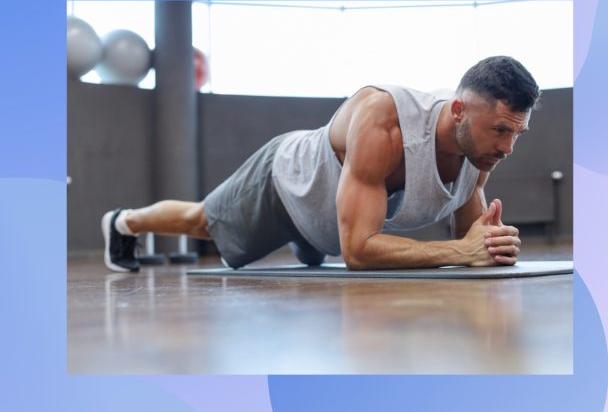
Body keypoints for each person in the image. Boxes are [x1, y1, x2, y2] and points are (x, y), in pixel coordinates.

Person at [102, 55, 539, 272]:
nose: (508, 148)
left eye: (518, 134)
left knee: (318, 249)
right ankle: (124, 222)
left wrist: (491, 245)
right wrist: (461, 252)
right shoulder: (385, 119)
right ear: (459, 110)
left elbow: (470, 237)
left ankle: (308, 239)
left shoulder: (481, 147)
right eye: (501, 131)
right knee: (202, 222)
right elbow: (358, 252)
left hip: (332, 220)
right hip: (285, 185)